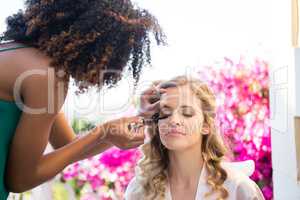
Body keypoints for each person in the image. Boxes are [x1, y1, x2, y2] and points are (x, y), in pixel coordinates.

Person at [0, 0, 165, 199]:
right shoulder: (45, 75)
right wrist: (102, 132)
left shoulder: (12, 51)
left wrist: (139, 118)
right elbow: (20, 180)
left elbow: (67, 144)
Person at [125, 76, 265, 200]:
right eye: (165, 113)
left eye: (187, 113)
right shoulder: (139, 191)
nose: (174, 120)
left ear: (206, 125)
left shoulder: (237, 188)